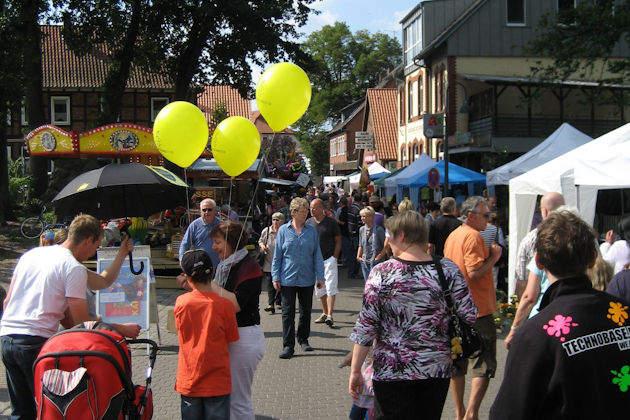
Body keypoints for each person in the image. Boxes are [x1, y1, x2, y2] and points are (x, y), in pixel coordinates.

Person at [490, 210, 630, 419]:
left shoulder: (534, 334)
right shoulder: (623, 314)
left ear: (538, 262)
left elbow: (509, 412)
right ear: (593, 258)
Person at [0, 214, 140, 420]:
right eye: (97, 245)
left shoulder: (31, 255)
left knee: (21, 412)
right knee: (46, 410)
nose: (95, 251)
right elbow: (82, 324)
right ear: (88, 240)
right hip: (34, 343)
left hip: (7, 339)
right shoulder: (72, 268)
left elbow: (102, 281)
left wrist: (121, 254)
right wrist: (121, 329)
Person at [349, 211, 478, 420]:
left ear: (401, 235)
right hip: (436, 369)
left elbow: (366, 326)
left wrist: (356, 371)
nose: (387, 242)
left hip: (392, 371)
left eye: (389, 236)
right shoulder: (448, 269)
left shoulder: (382, 273)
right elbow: (470, 314)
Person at [443, 196, 502, 420]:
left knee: (457, 362)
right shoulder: (473, 236)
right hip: (477, 310)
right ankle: (471, 414)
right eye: (485, 216)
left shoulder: (454, 236)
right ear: (471, 216)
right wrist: (494, 257)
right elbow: (475, 272)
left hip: (456, 310)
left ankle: (460, 413)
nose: (488, 220)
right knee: (482, 363)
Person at [207, 221, 265, 420]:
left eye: (218, 242)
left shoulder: (250, 266)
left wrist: (207, 283)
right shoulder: (226, 265)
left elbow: (235, 304)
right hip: (232, 336)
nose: (213, 247)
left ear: (232, 242)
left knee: (239, 401)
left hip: (245, 338)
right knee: (229, 399)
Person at [175, 249, 239, 420]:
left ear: (187, 278)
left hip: (189, 378)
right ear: (212, 273)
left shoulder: (181, 303)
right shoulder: (225, 306)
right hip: (218, 381)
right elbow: (231, 338)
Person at [505, 194, 567, 349]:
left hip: (542, 315)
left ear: (544, 212)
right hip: (575, 312)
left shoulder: (531, 240)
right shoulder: (582, 237)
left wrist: (515, 328)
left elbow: (525, 289)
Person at [272, 197, 325, 359]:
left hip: (307, 278)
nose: (306, 214)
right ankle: (288, 346)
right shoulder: (283, 231)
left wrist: (320, 276)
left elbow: (317, 255)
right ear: (293, 213)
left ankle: (303, 339)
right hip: (287, 277)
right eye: (303, 211)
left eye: (306, 211)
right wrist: (275, 276)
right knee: (287, 313)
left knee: (305, 312)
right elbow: (277, 256)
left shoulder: (311, 231)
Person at [514, 192, 565, 297]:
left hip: (541, 303)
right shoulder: (582, 234)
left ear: (544, 211)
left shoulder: (530, 240)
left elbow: (522, 280)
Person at [307, 199, 341, 327]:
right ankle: (325, 313)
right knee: (319, 289)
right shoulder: (308, 223)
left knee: (331, 286)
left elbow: (338, 240)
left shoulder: (331, 222)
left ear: (322, 208)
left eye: (314, 208)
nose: (312, 210)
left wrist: (335, 257)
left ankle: (330, 315)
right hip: (314, 261)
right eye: (311, 208)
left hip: (329, 259)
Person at [178, 198, 221, 270]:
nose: (207, 212)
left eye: (209, 209)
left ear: (214, 211)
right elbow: (185, 244)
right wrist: (182, 260)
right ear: (200, 212)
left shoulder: (222, 225)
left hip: (218, 266)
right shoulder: (194, 225)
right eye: (204, 210)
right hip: (200, 266)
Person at [259, 212, 285, 314]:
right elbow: (260, 241)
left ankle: (278, 301)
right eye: (273, 219)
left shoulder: (285, 231)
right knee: (270, 283)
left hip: (282, 262)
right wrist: (262, 246)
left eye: (277, 220)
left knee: (280, 282)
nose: (274, 222)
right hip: (269, 261)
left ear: (282, 222)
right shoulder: (267, 230)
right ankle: (271, 304)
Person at [357, 207, 386, 282]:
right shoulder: (362, 229)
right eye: (361, 216)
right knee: (367, 284)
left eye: (364, 216)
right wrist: (358, 256)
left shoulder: (379, 230)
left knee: (375, 283)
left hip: (376, 261)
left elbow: (386, 246)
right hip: (365, 260)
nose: (362, 218)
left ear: (371, 217)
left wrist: (379, 257)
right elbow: (361, 244)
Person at [479, 211, 507, 289]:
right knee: (493, 282)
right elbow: (501, 244)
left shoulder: (479, 229)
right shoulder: (497, 229)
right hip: (493, 259)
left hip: (481, 259)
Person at [347, 193, 364, 279]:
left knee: (352, 254)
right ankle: (354, 272)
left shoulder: (350, 208)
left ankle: (351, 272)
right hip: (356, 234)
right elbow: (360, 224)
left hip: (351, 233)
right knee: (356, 254)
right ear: (361, 200)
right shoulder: (359, 210)